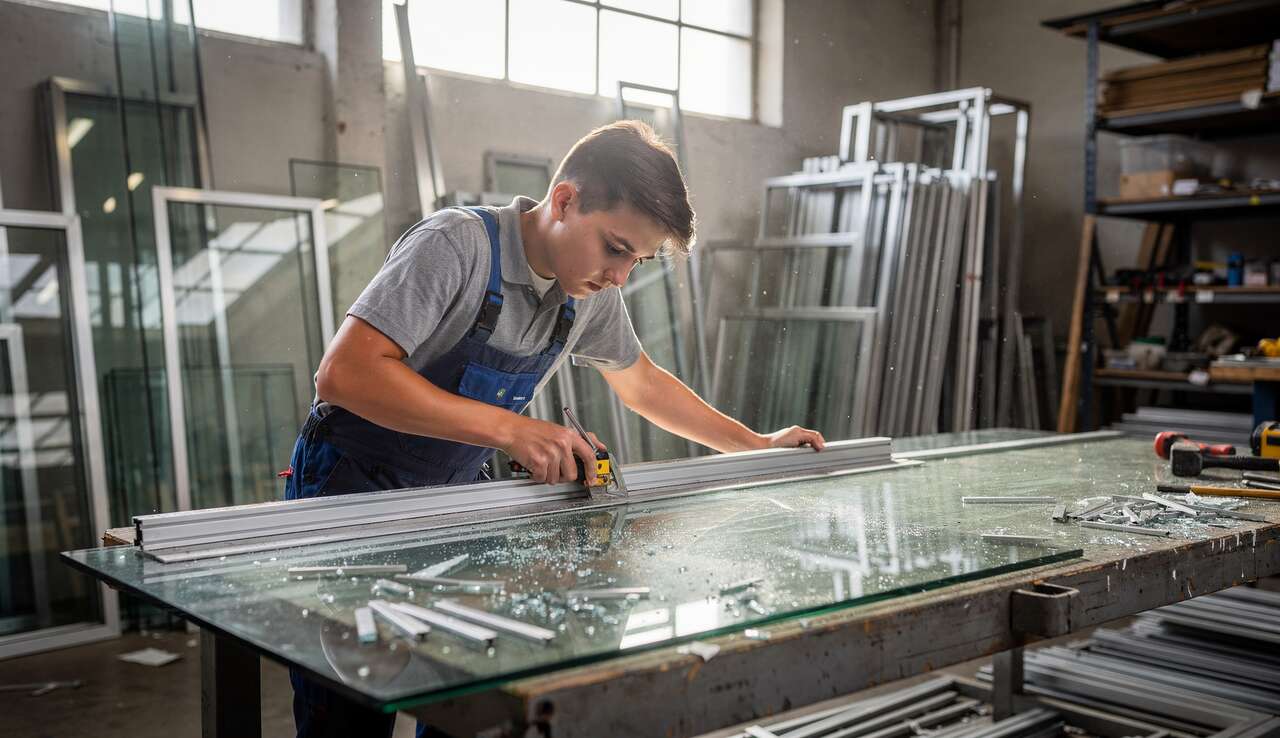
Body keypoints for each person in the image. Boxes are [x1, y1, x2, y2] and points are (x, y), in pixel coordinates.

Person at [282, 120, 825, 738]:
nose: (621, 276)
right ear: (565, 200)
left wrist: (755, 445)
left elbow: (642, 382)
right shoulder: (456, 247)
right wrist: (510, 430)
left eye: (637, 261)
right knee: (350, 706)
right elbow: (346, 374)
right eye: (616, 249)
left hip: (457, 502)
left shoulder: (588, 291)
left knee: (468, 697)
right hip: (351, 496)